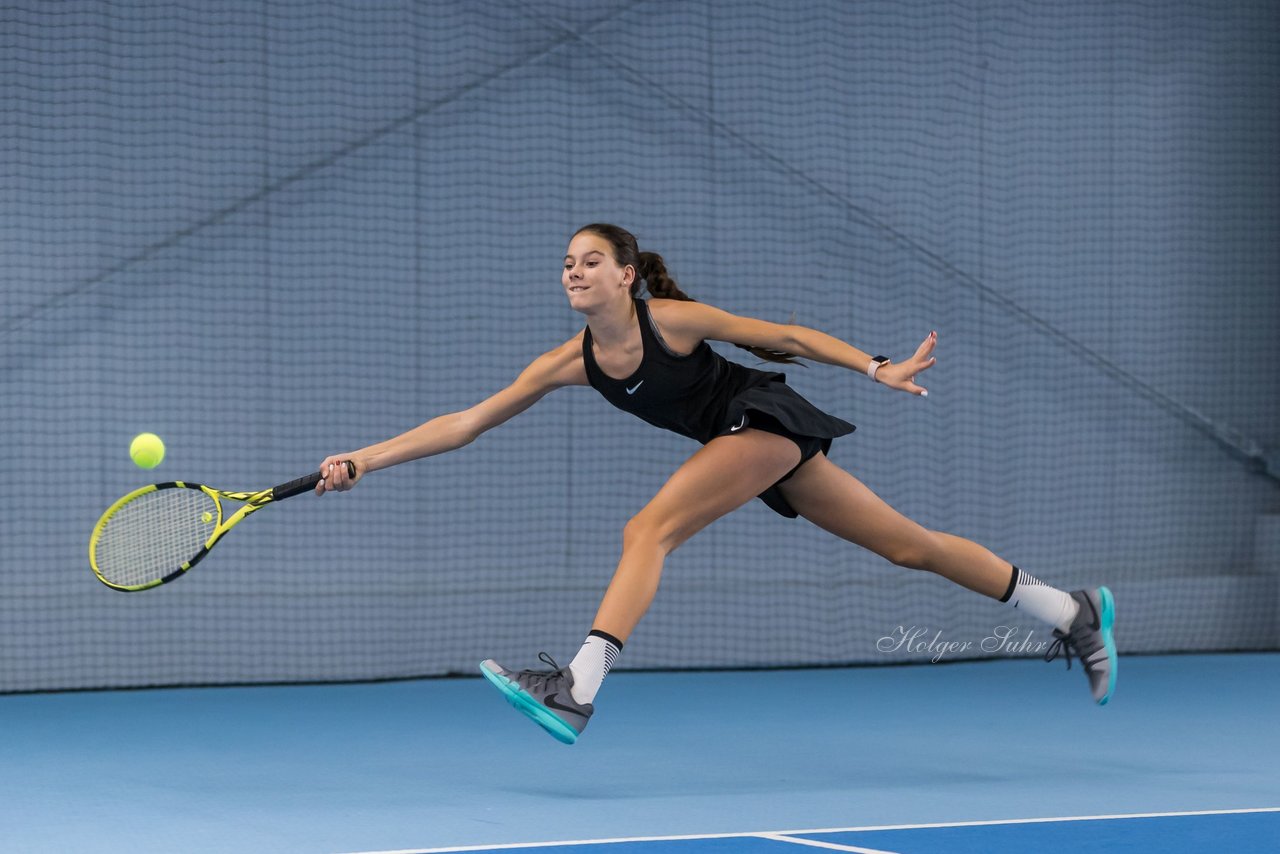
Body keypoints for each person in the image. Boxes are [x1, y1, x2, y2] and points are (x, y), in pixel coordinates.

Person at [315, 223, 1117, 744]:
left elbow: (782, 336)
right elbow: (465, 423)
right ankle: (1069, 609)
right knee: (911, 548)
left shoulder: (671, 318)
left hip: (763, 420)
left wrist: (876, 366)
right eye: (566, 263)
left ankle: (576, 685)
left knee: (647, 530)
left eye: (591, 260)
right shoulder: (569, 363)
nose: (574, 270)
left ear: (628, 275)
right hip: (748, 446)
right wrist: (362, 459)